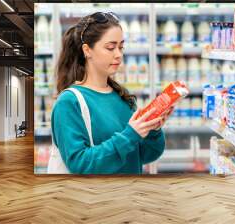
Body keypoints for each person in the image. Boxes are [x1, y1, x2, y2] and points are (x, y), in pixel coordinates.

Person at [51, 12, 174, 174]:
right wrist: (130, 135)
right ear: (87, 50)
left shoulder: (123, 97)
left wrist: (152, 130)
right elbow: (79, 164)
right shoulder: (69, 102)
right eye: (110, 47)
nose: (118, 54)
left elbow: (143, 156)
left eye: (121, 47)